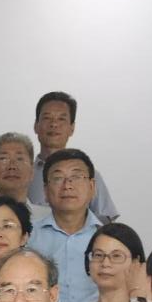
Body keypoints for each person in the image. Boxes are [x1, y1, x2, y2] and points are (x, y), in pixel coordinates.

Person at [29, 148, 100, 302]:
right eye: (58, 178)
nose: (67, 185)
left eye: (76, 177)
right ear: (46, 191)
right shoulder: (28, 238)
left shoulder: (108, 240)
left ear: (92, 187)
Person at [29, 92, 118, 222]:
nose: (54, 124)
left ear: (72, 128)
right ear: (36, 126)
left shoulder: (89, 175)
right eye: (47, 118)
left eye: (61, 119)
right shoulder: (23, 175)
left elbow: (105, 222)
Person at [0, 132, 48, 221]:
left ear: (32, 172)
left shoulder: (48, 219)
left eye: (20, 159)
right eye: (3, 158)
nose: (12, 166)